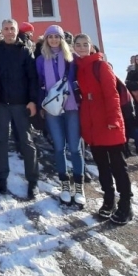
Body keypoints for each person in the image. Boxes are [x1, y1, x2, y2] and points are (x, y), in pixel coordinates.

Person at [72, 34, 133, 225]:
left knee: (118, 166)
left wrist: (114, 119)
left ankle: (126, 203)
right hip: (92, 124)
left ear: (91, 47)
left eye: (85, 44)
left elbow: (112, 94)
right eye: (78, 44)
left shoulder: (101, 65)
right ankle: (108, 200)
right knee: (102, 166)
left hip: (108, 122)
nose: (82, 47)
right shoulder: (79, 67)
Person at [0, 19, 39, 199]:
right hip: (1, 103)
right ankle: (2, 178)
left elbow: (33, 78)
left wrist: (33, 100)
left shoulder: (25, 51)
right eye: (6, 29)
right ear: (2, 31)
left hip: (21, 103)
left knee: (26, 142)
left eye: (12, 29)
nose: (9, 32)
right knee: (1, 141)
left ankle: (32, 181)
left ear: (17, 31)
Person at [36, 25, 85, 206]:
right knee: (58, 147)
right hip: (52, 109)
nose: (54, 40)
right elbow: (40, 83)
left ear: (62, 39)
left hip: (72, 106)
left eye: (57, 37)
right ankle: (65, 184)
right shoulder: (41, 60)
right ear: (46, 40)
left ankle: (78, 186)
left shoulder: (71, 58)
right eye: (51, 37)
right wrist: (42, 104)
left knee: (75, 148)